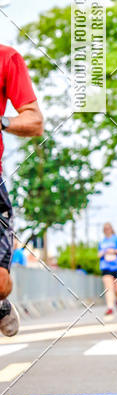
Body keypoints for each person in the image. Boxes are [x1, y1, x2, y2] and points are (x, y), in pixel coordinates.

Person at [0, 44, 44, 338]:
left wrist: (2, 122)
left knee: (1, 281)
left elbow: (35, 121)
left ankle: (0, 302)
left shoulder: (7, 58)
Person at [98, 222, 117, 315]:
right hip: (105, 266)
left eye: (108, 228)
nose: (106, 230)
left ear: (111, 229)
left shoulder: (116, 239)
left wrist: (113, 251)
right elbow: (98, 254)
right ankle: (110, 307)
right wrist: (103, 252)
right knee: (109, 288)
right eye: (105, 228)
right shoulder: (101, 242)